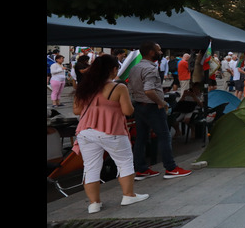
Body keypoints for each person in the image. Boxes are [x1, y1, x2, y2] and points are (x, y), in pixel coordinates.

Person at [72, 54, 149, 213]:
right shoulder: (118, 87)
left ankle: (94, 204)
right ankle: (128, 195)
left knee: (91, 167)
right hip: (112, 130)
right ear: (113, 69)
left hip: (86, 132)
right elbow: (128, 111)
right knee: (125, 162)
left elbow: (76, 110)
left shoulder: (84, 86)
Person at [129, 41, 192, 180]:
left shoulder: (135, 68)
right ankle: (171, 168)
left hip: (139, 106)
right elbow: (149, 90)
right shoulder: (151, 68)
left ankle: (140, 169)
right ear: (151, 52)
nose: (161, 52)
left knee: (141, 138)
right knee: (164, 136)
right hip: (152, 106)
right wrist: (161, 102)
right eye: (159, 50)